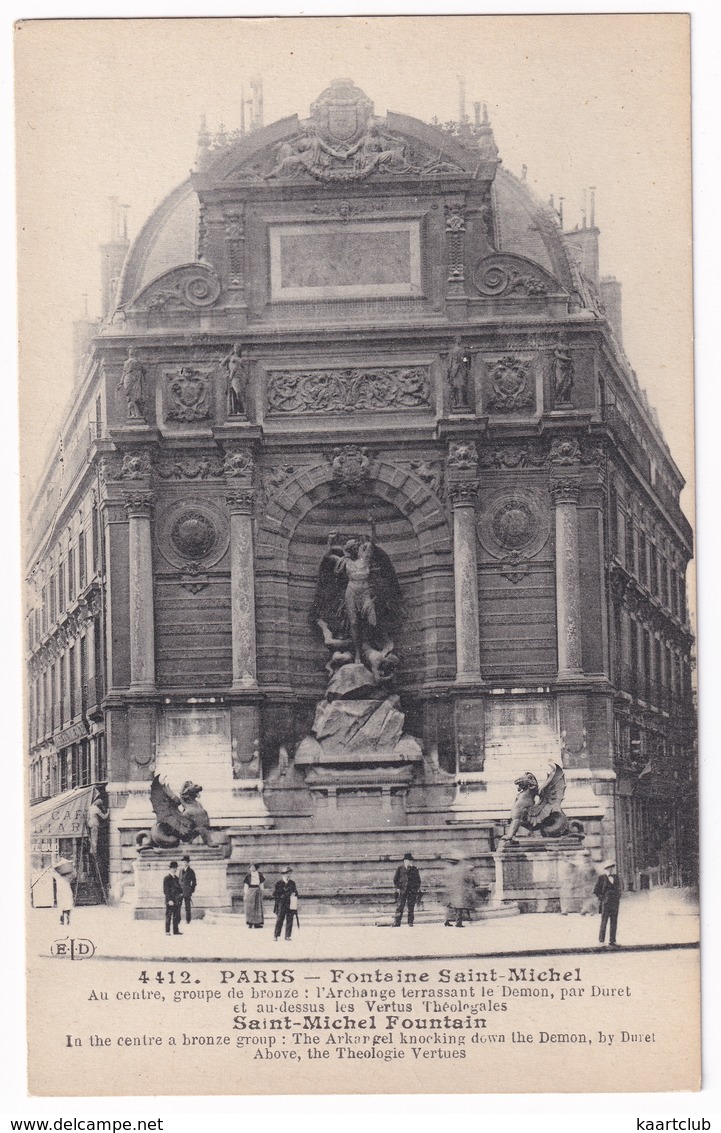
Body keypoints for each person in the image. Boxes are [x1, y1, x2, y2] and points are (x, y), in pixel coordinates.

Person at [443, 852, 477, 927]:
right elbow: (468, 878)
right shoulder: (461, 869)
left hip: (451, 890)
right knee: (459, 907)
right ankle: (458, 922)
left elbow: (446, 878)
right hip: (460, 890)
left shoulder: (449, 869)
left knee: (450, 906)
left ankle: (447, 920)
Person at [594, 860, 622, 947]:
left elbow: (618, 888)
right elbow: (596, 891)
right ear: (605, 869)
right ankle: (601, 941)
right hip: (606, 903)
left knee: (614, 922)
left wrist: (618, 897)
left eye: (612, 868)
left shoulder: (616, 877)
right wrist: (602, 898)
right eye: (609, 868)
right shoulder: (601, 878)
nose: (611, 869)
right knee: (604, 921)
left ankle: (612, 941)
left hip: (615, 903)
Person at [393, 852, 422, 927]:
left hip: (411, 891)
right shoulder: (400, 869)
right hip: (402, 891)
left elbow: (418, 881)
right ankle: (397, 922)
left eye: (411, 861)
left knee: (411, 907)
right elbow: (395, 879)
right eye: (409, 860)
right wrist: (397, 888)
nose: (410, 862)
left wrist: (416, 889)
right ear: (405, 861)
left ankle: (410, 922)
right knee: (399, 907)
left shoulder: (415, 869)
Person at [273, 868, 299, 940]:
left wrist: (294, 894)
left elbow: (296, 892)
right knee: (279, 919)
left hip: (290, 903)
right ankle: (276, 935)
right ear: (283, 874)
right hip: (282, 903)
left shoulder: (292, 883)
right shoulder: (279, 883)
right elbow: (275, 894)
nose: (288, 875)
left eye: (289, 873)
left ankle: (287, 935)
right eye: (287, 873)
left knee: (290, 919)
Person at [53, 859, 76, 926]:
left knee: (62, 905)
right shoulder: (68, 876)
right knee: (67, 904)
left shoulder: (58, 876)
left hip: (62, 892)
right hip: (66, 891)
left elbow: (53, 871)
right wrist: (73, 867)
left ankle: (63, 920)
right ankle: (67, 920)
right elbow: (74, 875)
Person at [163, 861, 183, 936]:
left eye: (175, 868)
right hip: (170, 900)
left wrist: (181, 893)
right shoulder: (167, 878)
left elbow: (179, 888)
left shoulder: (177, 878)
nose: (174, 869)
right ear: (170, 868)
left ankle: (176, 930)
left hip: (177, 900)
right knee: (169, 915)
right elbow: (166, 891)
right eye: (173, 868)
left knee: (177, 916)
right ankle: (167, 931)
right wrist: (169, 900)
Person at [243, 864, 265, 929]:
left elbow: (261, 884)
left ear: (256, 868)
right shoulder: (248, 875)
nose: (251, 868)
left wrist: (262, 892)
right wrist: (246, 894)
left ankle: (257, 923)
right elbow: (246, 885)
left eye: (253, 867)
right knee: (250, 907)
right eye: (250, 867)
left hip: (258, 891)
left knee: (258, 907)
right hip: (250, 891)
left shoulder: (259, 875)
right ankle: (250, 923)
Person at [179, 855, 197, 925]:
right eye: (184, 862)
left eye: (186, 862)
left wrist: (191, 890)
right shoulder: (180, 871)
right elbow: (179, 881)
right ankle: (178, 920)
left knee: (187, 907)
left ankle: (188, 920)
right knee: (178, 906)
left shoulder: (191, 871)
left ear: (188, 863)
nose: (185, 863)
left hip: (187, 891)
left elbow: (194, 882)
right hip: (180, 891)